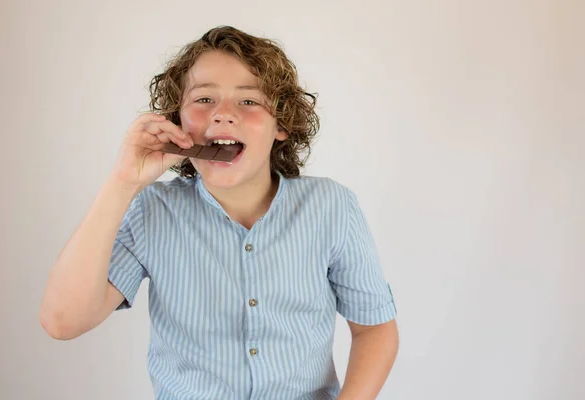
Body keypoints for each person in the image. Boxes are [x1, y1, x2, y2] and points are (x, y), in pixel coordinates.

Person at [40, 25, 399, 400]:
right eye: (204, 99)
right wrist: (122, 181)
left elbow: (374, 329)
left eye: (248, 101)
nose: (223, 114)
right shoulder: (153, 211)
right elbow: (61, 321)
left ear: (281, 124)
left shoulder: (332, 207)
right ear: (178, 121)